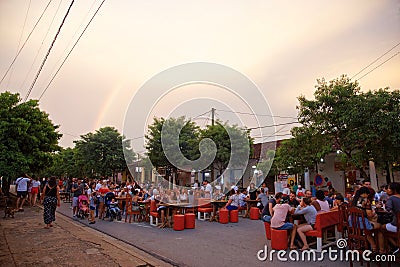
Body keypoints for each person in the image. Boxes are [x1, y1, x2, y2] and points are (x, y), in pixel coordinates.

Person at [352, 186, 384, 253]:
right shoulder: (366, 200)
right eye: (368, 194)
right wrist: (374, 209)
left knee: (367, 231)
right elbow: (369, 214)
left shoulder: (354, 200)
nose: (368, 195)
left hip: (353, 222)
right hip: (363, 223)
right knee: (380, 228)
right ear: (365, 193)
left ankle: (374, 246)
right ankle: (381, 250)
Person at [382, 182, 400, 249]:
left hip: (397, 225)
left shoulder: (391, 198)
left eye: (389, 188)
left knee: (382, 227)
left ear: (393, 189)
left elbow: (387, 209)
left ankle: (396, 245)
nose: (388, 190)